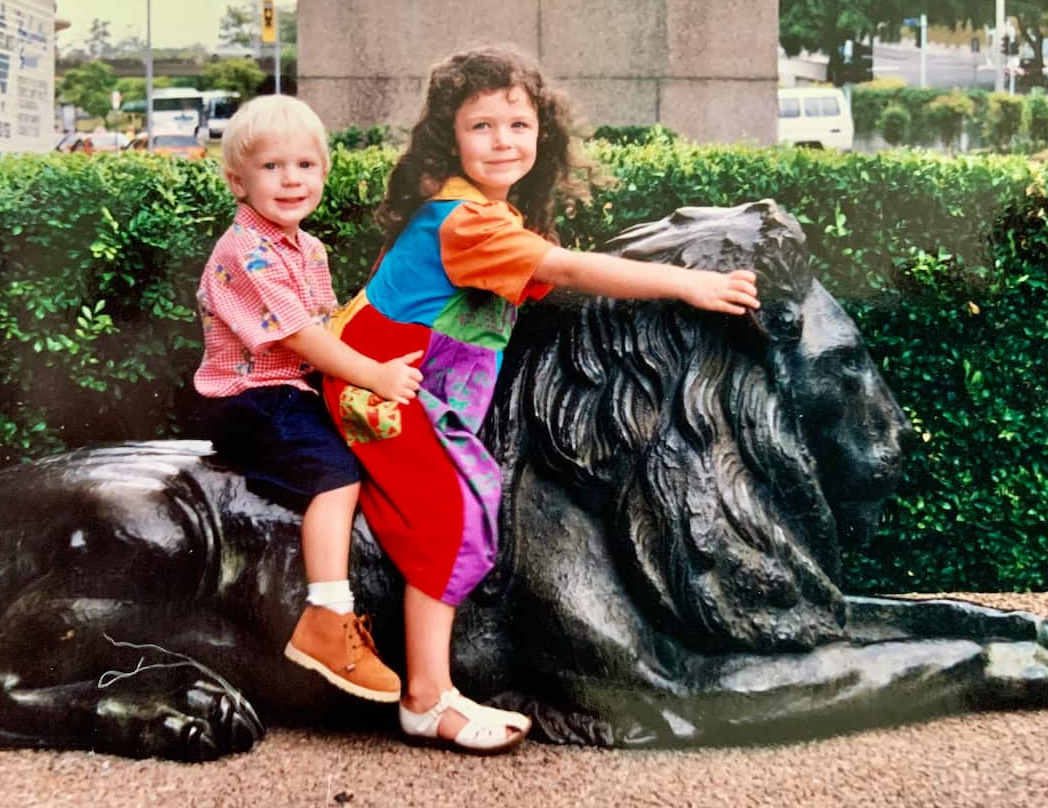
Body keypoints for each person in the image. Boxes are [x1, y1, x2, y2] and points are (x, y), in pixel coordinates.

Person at [322, 46, 760, 754]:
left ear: (541, 134)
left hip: (418, 379)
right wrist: (687, 284)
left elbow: (544, 282)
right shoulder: (468, 222)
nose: (503, 141)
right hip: (382, 382)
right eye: (482, 126)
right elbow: (569, 269)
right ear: (450, 138)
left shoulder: (491, 214)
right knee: (451, 510)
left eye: (518, 125)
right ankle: (426, 697)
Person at [192, 95, 423, 705]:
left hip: (295, 387)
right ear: (237, 182)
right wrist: (373, 376)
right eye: (271, 168)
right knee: (336, 475)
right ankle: (326, 614)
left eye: (304, 165)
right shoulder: (245, 251)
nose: (291, 179)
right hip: (250, 397)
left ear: (323, 172)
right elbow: (301, 337)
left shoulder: (308, 248)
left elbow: (330, 328)